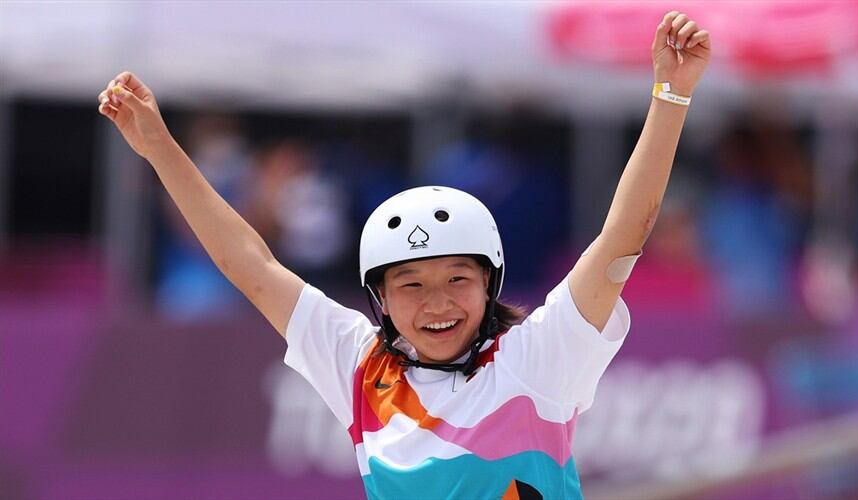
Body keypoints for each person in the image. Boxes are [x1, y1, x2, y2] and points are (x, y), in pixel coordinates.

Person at [97, 11, 709, 499]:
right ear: (379, 300)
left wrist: (670, 95)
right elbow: (250, 266)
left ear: (491, 284)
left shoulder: (538, 357)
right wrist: (159, 149)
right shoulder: (360, 369)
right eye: (410, 285)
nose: (437, 302)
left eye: (457, 278)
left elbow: (623, 237)